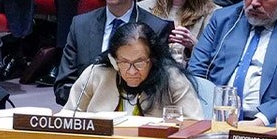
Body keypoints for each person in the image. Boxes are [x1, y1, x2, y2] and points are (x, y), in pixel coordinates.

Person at [51, 0, 173, 106]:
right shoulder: (81, 25)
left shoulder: (156, 27)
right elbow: (62, 86)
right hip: (88, 114)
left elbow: (159, 86)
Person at [65, 21, 202, 119]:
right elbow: (67, 117)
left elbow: (194, 125)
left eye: (139, 62)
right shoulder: (96, 73)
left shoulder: (173, 78)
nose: (131, 71)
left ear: (153, 58)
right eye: (124, 62)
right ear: (114, 60)